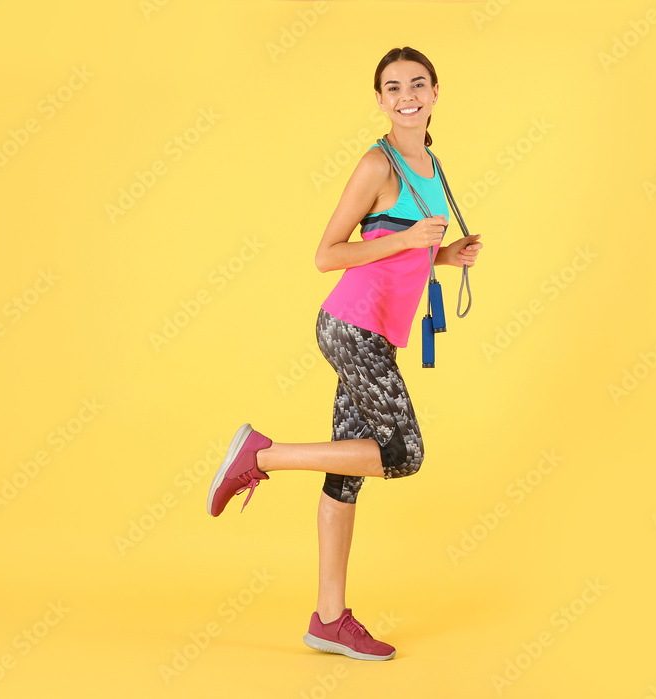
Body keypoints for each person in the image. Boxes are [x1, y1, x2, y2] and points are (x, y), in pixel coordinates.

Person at [206, 46, 483, 661]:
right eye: (393, 87)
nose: (406, 95)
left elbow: (399, 247)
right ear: (381, 100)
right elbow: (327, 254)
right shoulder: (375, 165)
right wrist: (414, 238)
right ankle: (262, 455)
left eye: (417, 84)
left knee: (347, 474)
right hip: (351, 326)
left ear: (435, 92)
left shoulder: (430, 163)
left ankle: (329, 619)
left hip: (376, 330)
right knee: (402, 453)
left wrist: (443, 254)